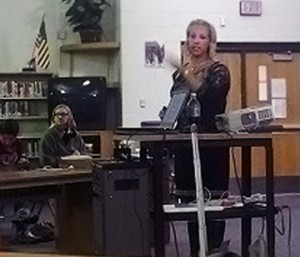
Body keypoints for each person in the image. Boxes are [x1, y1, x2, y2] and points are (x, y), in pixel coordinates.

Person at [169, 19, 231, 256]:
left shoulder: (219, 71)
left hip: (210, 146)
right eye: (192, 36)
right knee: (191, 206)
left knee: (212, 204)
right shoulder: (179, 74)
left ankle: (214, 251)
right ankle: (196, 251)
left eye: (202, 37)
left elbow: (210, 100)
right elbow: (177, 102)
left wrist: (187, 74)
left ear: (210, 41)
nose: (196, 41)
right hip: (185, 144)